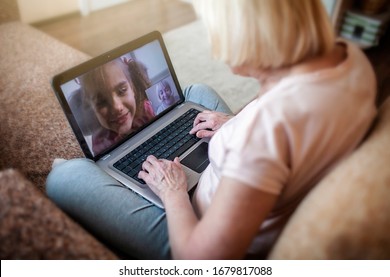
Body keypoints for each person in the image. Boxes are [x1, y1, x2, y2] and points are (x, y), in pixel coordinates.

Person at [46, 0, 377, 259]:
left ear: (250, 30)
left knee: (64, 176)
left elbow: (202, 261)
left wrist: (173, 191)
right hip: (245, 181)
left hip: (198, 224)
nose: (215, 42)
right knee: (195, 93)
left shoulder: (264, 134)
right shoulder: (353, 59)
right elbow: (275, 110)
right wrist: (235, 124)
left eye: (216, 26)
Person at [80, 58, 155, 155]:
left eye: (122, 90)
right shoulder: (100, 144)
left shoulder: (147, 110)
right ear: (92, 108)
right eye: (102, 101)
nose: (117, 107)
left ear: (132, 88)